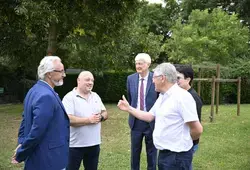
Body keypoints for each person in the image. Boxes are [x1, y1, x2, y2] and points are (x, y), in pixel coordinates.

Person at [118, 63, 203, 170]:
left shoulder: (182, 97)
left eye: (154, 78)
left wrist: (184, 142)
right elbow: (149, 116)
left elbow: (197, 129)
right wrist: (129, 108)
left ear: (162, 78)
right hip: (164, 154)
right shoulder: (163, 96)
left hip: (177, 157)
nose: (152, 81)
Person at [12, 56, 69, 170]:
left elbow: (25, 120)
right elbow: (37, 130)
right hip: (48, 160)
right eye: (61, 71)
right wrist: (21, 152)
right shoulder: (46, 96)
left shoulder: (34, 90)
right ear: (49, 74)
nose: (64, 75)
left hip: (40, 158)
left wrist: (22, 142)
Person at [62, 71, 108, 170]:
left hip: (94, 144)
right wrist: (88, 120)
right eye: (87, 80)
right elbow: (68, 119)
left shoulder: (95, 96)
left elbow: (105, 112)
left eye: (92, 80)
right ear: (78, 81)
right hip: (74, 146)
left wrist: (101, 117)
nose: (90, 82)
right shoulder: (69, 97)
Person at [127, 53, 158, 170]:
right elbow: (131, 99)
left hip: (151, 122)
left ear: (148, 64)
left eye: (140, 63)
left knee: (152, 154)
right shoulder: (130, 79)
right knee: (135, 153)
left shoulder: (155, 78)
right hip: (135, 122)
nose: (138, 65)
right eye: (136, 63)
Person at [176, 66, 203, 166]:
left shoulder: (193, 98)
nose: (175, 81)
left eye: (178, 78)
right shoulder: (181, 94)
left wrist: (188, 141)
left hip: (188, 144)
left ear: (188, 80)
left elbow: (196, 128)